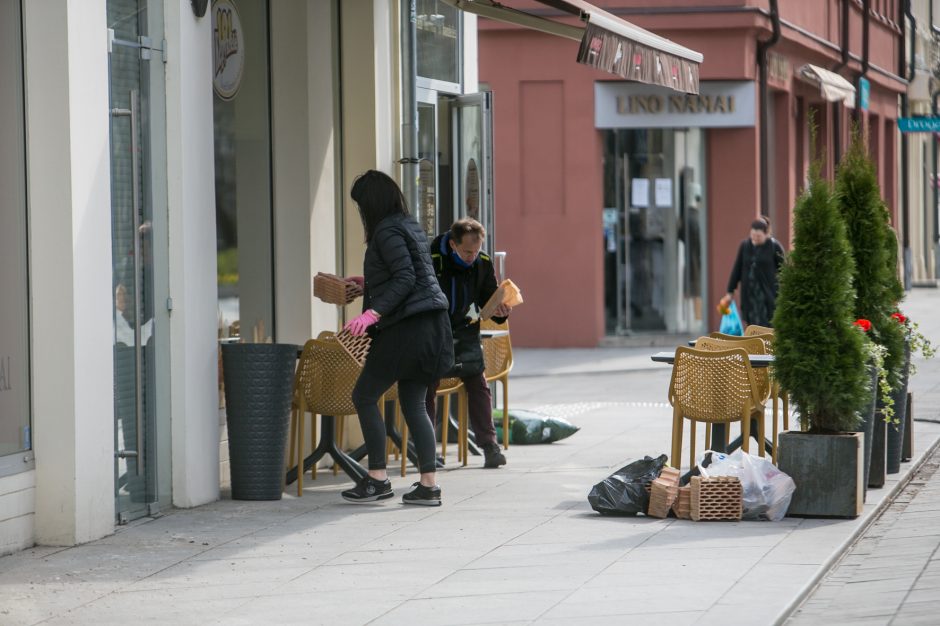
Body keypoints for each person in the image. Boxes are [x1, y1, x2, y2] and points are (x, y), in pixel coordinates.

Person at [340, 170, 454, 506]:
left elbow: (405, 278)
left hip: (406, 328)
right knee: (414, 403)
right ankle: (429, 486)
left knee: (363, 395)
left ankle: (377, 478)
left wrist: (372, 313)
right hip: (432, 325)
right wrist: (368, 283)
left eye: (361, 205)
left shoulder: (386, 231)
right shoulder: (409, 225)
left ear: (370, 203)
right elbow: (415, 275)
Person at [426, 218, 511, 469]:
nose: (472, 257)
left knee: (479, 384)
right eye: (467, 252)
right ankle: (428, 450)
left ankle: (490, 447)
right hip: (433, 331)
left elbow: (488, 301)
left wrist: (500, 311)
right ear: (453, 244)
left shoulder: (482, 263)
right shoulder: (433, 259)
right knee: (427, 387)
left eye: (476, 251)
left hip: (465, 330)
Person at [721, 216, 786, 328]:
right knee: (751, 323)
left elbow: (784, 269)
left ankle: (766, 345)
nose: (754, 238)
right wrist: (730, 291)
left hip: (768, 294)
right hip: (749, 294)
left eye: (758, 236)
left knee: (767, 323)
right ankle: (753, 344)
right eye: (752, 235)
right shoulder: (745, 246)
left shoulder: (774, 246)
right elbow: (737, 269)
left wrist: (784, 290)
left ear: (766, 234)